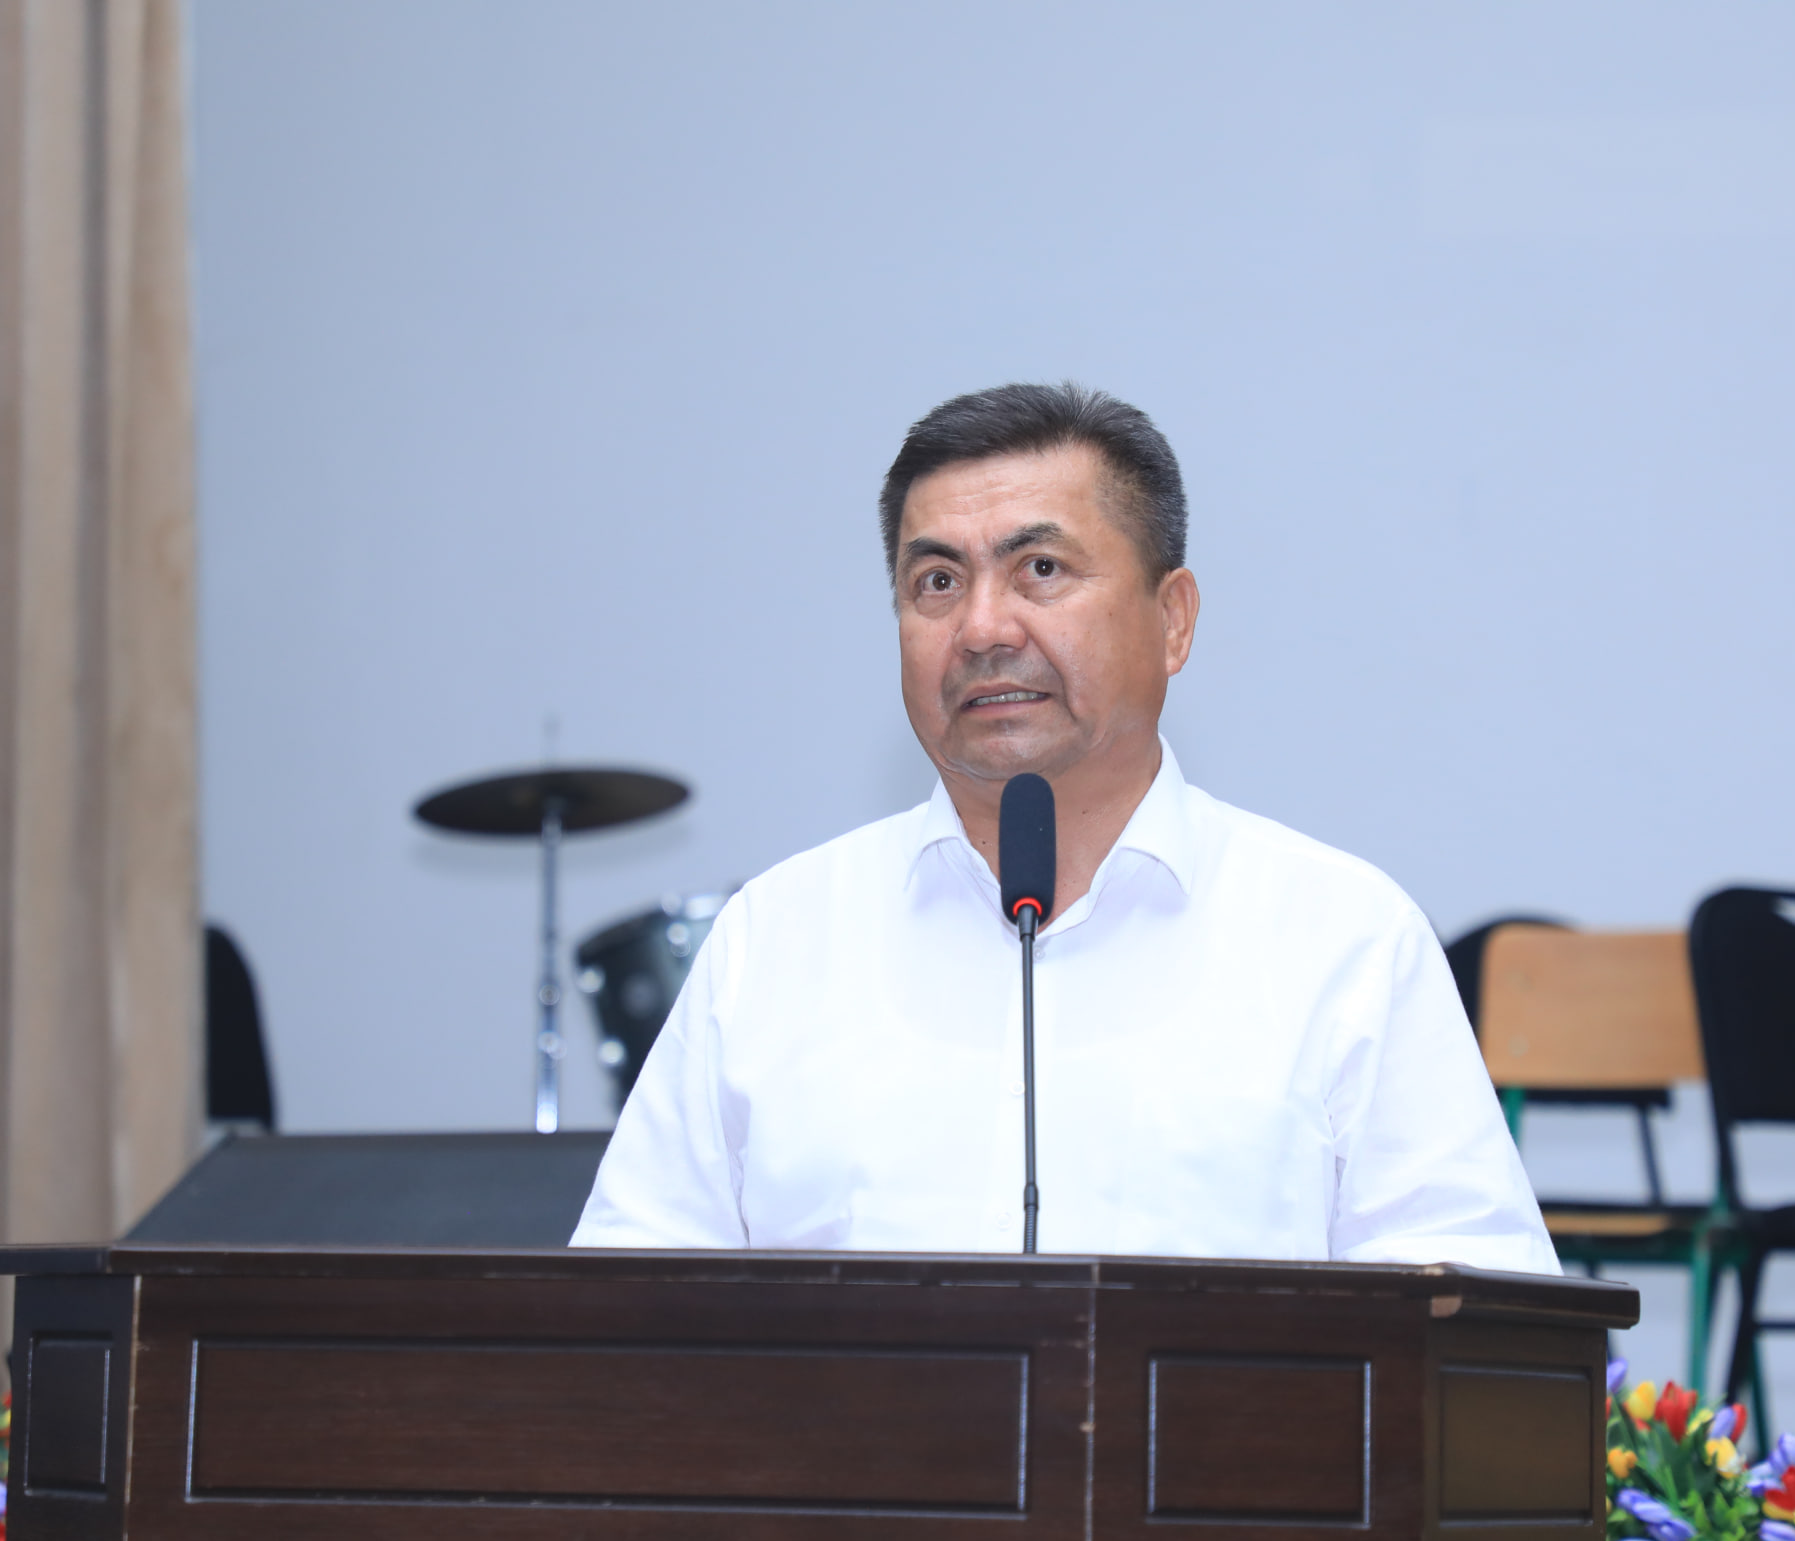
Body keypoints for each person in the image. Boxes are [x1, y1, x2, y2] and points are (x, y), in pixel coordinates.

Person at [571, 383, 1556, 1271]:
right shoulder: (774, 939)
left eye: (1040, 568)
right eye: (937, 582)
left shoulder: (1343, 937)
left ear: (1173, 620)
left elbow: (1471, 1322)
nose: (982, 629)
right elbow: (625, 1315)